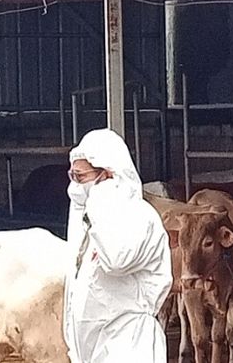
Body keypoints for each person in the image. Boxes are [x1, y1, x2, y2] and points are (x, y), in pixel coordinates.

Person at [63, 128, 173, 363]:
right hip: (94, 346)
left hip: (129, 344)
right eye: (72, 176)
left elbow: (116, 259)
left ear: (107, 175)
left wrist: (100, 200)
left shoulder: (139, 217)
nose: (75, 187)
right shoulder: (92, 220)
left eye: (81, 178)